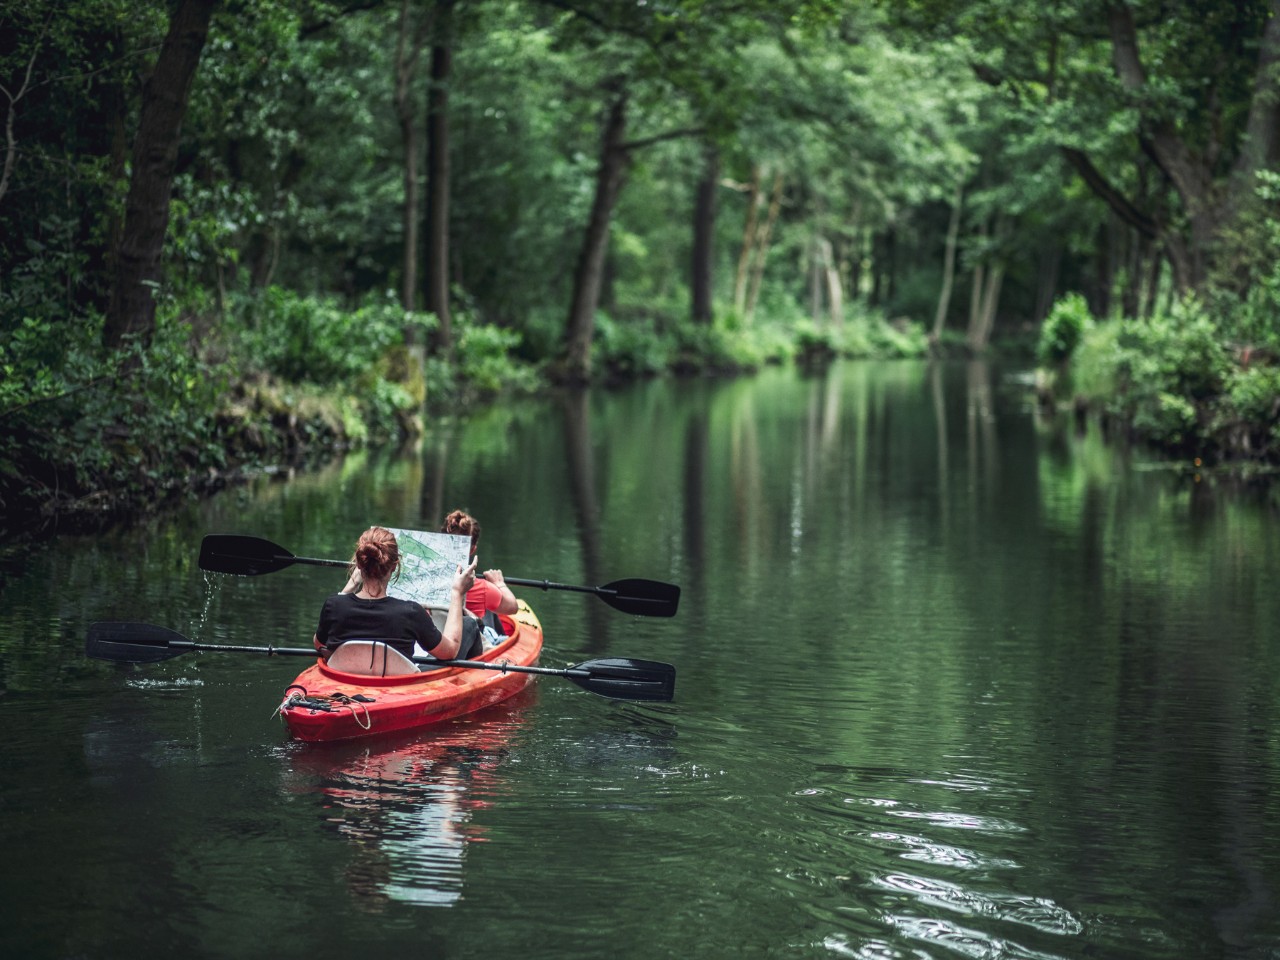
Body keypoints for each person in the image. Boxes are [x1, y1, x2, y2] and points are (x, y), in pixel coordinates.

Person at [313, 525, 478, 662]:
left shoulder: (333, 605)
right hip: (394, 685)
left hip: (346, 680)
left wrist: (349, 587)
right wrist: (457, 592)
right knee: (469, 624)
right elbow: (450, 652)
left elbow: (319, 643)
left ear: (359, 563)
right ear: (394, 566)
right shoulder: (411, 613)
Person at [441, 509, 518, 623]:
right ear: (472, 549)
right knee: (490, 615)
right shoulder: (482, 588)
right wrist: (499, 583)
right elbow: (512, 607)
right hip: (463, 637)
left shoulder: (418, 577)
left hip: (429, 634)